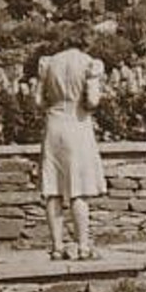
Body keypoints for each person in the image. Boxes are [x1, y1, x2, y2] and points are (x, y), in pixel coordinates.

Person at [37, 40, 108, 261]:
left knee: (53, 188)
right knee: (78, 189)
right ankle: (83, 246)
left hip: (54, 125)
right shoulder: (89, 64)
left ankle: (57, 247)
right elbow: (93, 101)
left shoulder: (49, 63)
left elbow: (37, 100)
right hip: (77, 125)